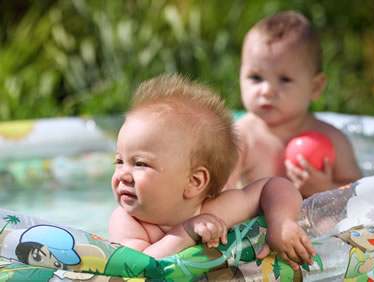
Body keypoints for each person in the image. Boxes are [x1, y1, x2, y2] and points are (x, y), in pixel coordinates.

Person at [108, 74, 314, 270]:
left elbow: (275, 186)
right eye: (119, 161)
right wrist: (186, 231)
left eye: (140, 164)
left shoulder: (218, 209)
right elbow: (137, 268)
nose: (123, 175)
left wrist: (281, 221)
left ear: (194, 182)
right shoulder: (128, 222)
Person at [225, 11, 362, 198]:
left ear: (315, 87)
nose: (266, 90)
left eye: (284, 79)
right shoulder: (241, 137)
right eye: (256, 77)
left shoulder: (333, 140)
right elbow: (221, 193)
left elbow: (360, 192)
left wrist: (325, 188)